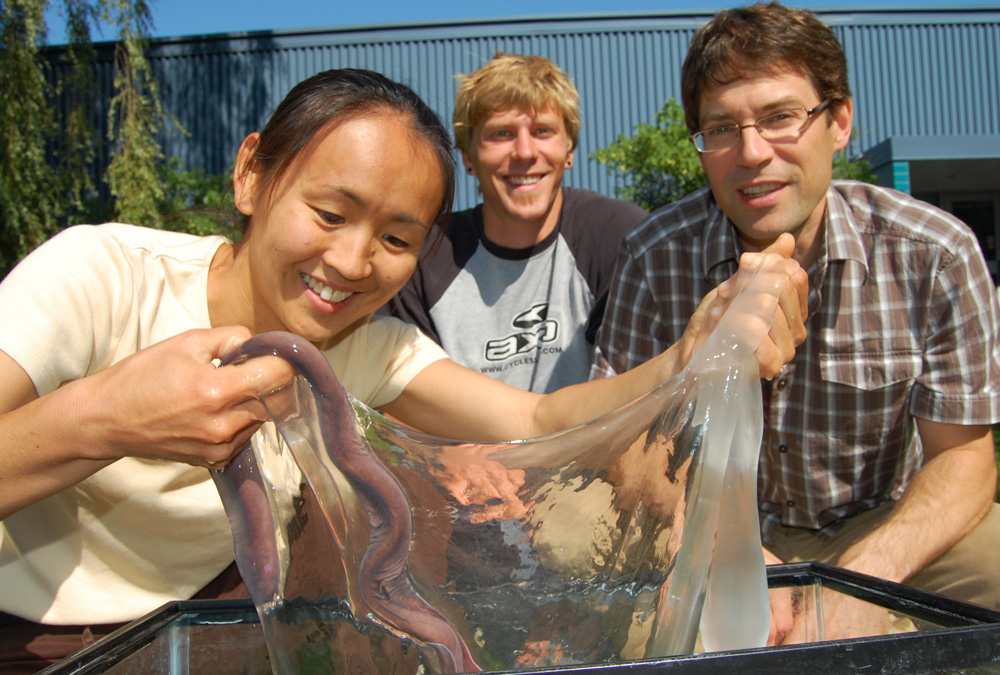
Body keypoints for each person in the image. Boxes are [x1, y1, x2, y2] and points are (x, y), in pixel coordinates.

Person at [0, 68, 805, 671]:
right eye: (328, 212)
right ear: (252, 175)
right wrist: (108, 417)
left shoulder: (363, 347)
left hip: (204, 628)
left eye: (395, 238)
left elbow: (535, 421)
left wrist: (696, 350)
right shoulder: (100, 276)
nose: (349, 263)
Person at [593, 0, 1000, 640]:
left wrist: (872, 573)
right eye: (721, 127)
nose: (751, 153)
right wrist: (729, 552)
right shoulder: (653, 258)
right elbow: (622, 450)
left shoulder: (935, 254)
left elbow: (965, 459)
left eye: (781, 117)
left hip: (880, 520)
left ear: (839, 121)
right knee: (603, 594)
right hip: (714, 523)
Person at [384, 53, 648, 393]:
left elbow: (636, 395)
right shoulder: (425, 256)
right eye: (501, 133)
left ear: (569, 149)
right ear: (467, 156)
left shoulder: (617, 234)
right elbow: (412, 407)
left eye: (542, 131)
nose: (524, 152)